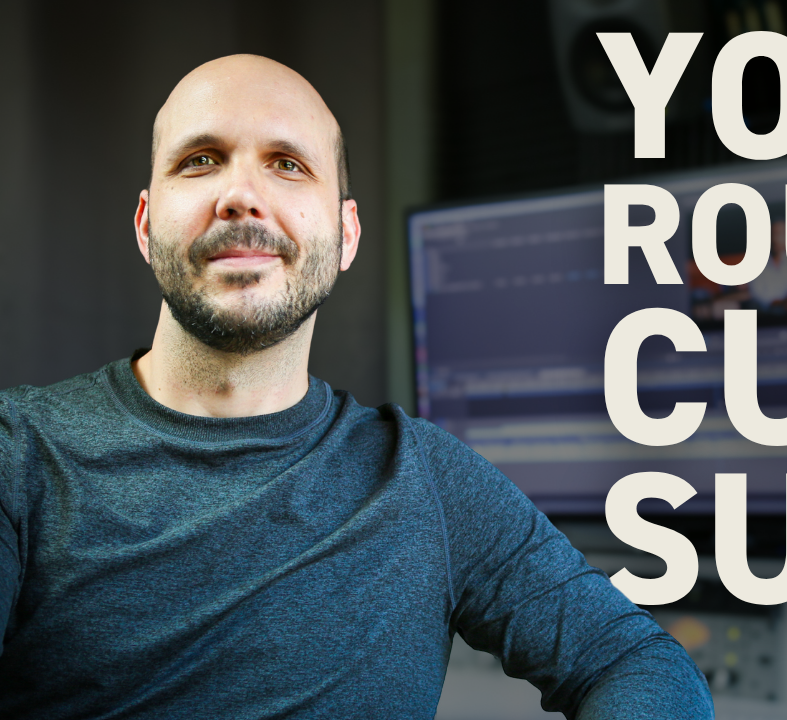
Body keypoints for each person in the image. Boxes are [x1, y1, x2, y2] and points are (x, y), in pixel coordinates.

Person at [0, 55, 712, 719]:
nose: (241, 195)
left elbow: (640, 662)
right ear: (147, 224)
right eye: (201, 160)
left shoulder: (426, 479)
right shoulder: (18, 456)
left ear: (345, 237)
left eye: (286, 164)